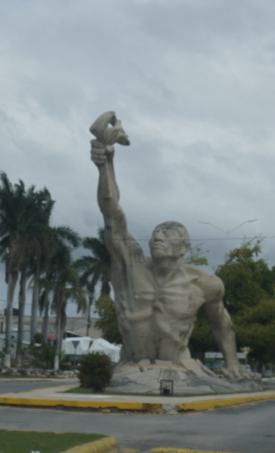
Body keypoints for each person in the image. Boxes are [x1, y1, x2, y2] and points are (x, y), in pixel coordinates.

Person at [90, 111, 250, 379]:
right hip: (132, 368)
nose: (157, 238)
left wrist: (232, 363)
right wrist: (105, 165)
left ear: (184, 246)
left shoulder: (205, 283)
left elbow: (221, 322)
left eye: (167, 234)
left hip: (179, 368)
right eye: (155, 234)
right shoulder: (132, 266)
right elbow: (112, 214)